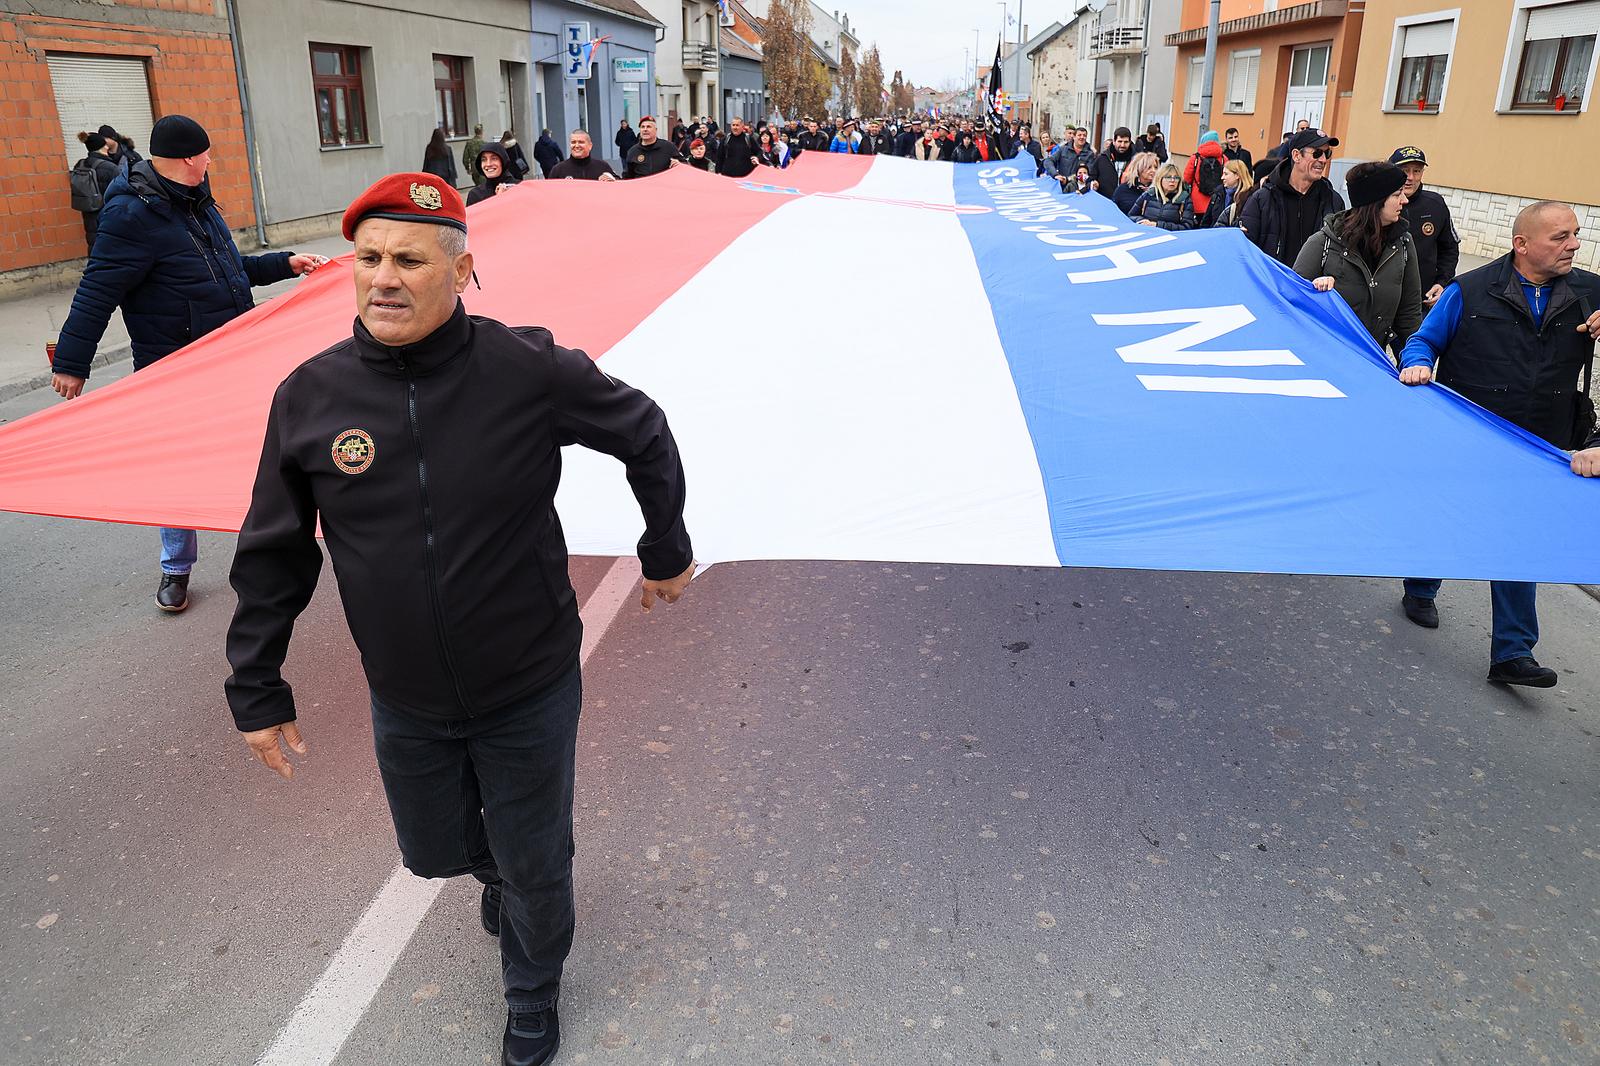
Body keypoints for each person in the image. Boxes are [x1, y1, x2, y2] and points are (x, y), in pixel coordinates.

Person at [224, 170, 696, 1066]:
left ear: (463, 269)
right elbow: (274, 548)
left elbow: (644, 429)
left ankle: (532, 990)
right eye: (367, 259)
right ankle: (494, 875)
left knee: (534, 858)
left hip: (528, 681)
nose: (383, 278)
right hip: (406, 697)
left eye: (408, 258)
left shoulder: (529, 371)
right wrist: (256, 682)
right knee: (437, 853)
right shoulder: (311, 396)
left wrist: (664, 544)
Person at [49, 115, 325, 612]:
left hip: (233, 354)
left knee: (263, 454)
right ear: (188, 158)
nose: (211, 160)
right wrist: (72, 362)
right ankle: (176, 569)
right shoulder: (132, 215)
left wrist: (283, 263)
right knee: (179, 467)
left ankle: (271, 551)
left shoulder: (198, 201)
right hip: (176, 367)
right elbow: (97, 291)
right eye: (207, 154)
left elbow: (230, 270)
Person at [1394, 200, 1600, 687]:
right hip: (1471, 434)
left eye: (1575, 234)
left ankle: (1512, 651)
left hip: (1541, 438)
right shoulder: (1469, 289)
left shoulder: (1591, 291)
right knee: (1452, 515)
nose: (1573, 244)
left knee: (1520, 537)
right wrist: (1417, 364)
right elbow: (1424, 341)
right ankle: (1421, 585)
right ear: (1521, 244)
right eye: (1560, 237)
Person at [1295, 161, 1421, 356]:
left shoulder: (1403, 244)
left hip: (1371, 364)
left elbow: (1409, 315)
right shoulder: (1323, 243)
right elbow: (1293, 301)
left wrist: (1414, 361)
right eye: (1397, 195)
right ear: (1375, 201)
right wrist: (1316, 289)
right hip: (1322, 360)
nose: (1404, 200)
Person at [1240, 127, 1345, 266]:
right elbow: (1244, 251)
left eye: (1327, 153)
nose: (1323, 159)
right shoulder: (1263, 199)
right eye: (1317, 153)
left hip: (1311, 287)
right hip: (1271, 284)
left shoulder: (1333, 201)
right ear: (1296, 155)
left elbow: (1340, 253)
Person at [1389, 146, 1460, 307]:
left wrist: (1442, 283)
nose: (1410, 177)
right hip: (1384, 301)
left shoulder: (1435, 204)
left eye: (1417, 171)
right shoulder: (1378, 205)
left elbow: (1449, 249)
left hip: (1421, 301)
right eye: (1404, 170)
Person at [71, 131, 121, 248]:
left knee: (95, 246)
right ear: (103, 146)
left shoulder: (80, 165)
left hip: (88, 213)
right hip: (109, 216)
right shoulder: (110, 167)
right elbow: (122, 194)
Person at [1128, 162, 1195, 230]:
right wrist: (1142, 221)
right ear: (1160, 179)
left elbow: (1187, 226)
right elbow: (1131, 216)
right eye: (1168, 177)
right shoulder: (1148, 195)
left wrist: (1158, 225)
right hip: (1147, 233)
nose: (1172, 180)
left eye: (1176, 178)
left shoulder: (1184, 199)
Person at [1198, 158, 1254, 229]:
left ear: (1237, 175)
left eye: (1226, 174)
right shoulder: (1217, 194)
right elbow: (1206, 222)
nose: (1222, 177)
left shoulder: (1249, 197)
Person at [1183, 130, 1227, 218]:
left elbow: (1186, 178)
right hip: (1216, 201)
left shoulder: (1196, 158)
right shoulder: (1223, 158)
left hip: (1197, 202)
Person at [548, 130, 618, 181]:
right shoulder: (558, 170)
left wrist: (613, 180)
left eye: (581, 142)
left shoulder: (603, 167)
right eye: (573, 142)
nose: (577, 145)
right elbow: (548, 193)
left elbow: (619, 188)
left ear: (590, 146)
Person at [1091, 127, 1135, 193]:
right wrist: (1093, 184)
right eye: (1120, 141)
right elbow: (1091, 177)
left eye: (1126, 142)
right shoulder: (1102, 158)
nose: (1122, 145)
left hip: (1128, 201)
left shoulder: (1136, 160)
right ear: (1114, 142)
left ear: (1130, 142)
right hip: (1106, 200)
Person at [1113, 151, 1158, 215]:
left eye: (1156, 167)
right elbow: (1112, 211)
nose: (1153, 171)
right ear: (1138, 168)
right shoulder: (1123, 189)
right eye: (1149, 167)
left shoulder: (1158, 191)